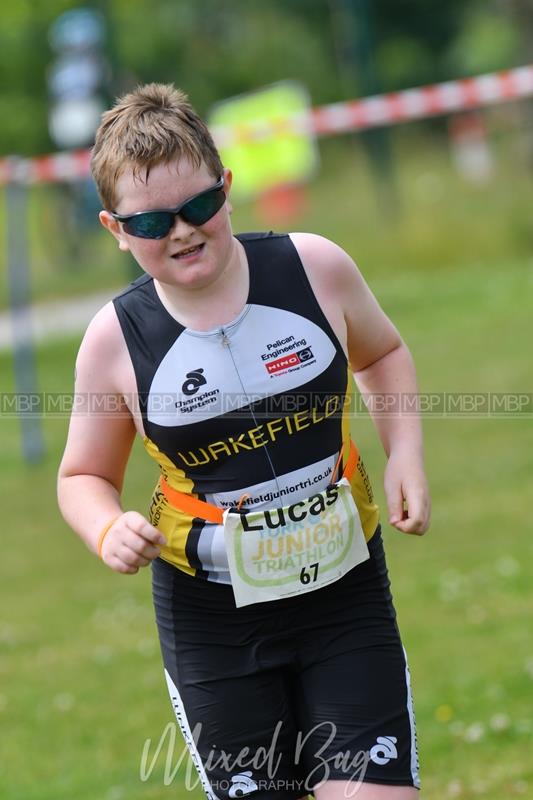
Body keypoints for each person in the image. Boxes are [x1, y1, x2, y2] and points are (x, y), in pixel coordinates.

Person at [57, 83, 430, 800]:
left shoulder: (313, 267)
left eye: (199, 207)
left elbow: (381, 355)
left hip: (341, 592)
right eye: (152, 222)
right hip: (212, 623)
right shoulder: (114, 340)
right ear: (113, 227)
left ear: (226, 187)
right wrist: (106, 530)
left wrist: (404, 454)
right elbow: (81, 477)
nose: (182, 231)